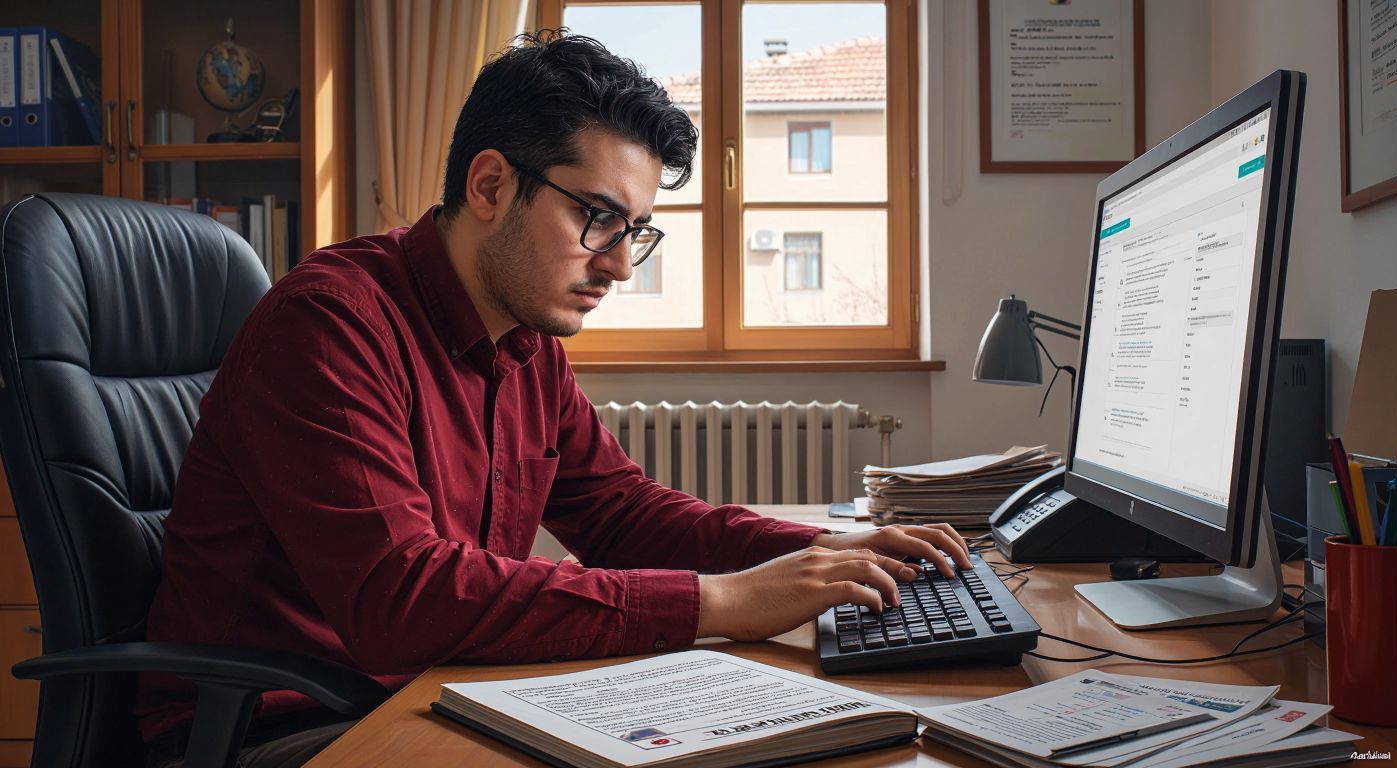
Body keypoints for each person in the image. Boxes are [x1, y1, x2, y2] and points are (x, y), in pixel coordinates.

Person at [139, 30, 971, 767]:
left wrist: (834, 557)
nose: (619, 267)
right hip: (286, 725)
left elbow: (619, 514)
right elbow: (405, 599)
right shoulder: (329, 324)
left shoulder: (523, 337)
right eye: (598, 220)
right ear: (493, 185)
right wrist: (720, 601)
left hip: (430, 685)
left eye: (635, 231)